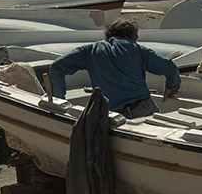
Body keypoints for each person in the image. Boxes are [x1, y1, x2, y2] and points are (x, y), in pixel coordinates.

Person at [48, 18, 180, 119]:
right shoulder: (137, 49)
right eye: (135, 38)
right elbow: (170, 67)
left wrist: (58, 100)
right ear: (127, 36)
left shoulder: (89, 51)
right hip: (143, 108)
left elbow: (57, 67)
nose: (136, 42)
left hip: (111, 116)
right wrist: (172, 88)